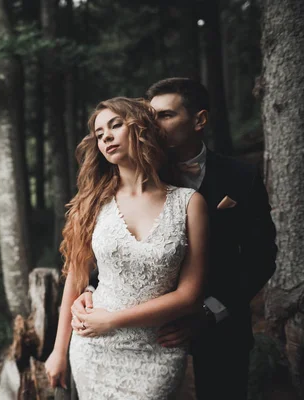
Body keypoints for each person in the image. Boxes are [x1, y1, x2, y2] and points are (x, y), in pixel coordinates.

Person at [71, 78, 278, 400]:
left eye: (165, 115)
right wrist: (92, 287)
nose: (154, 124)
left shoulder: (240, 176)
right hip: (136, 332)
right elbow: (121, 242)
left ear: (199, 120)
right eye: (149, 117)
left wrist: (209, 311)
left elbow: (261, 255)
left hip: (219, 321)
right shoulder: (138, 173)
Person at [44, 96, 209, 400]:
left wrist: (112, 320)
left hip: (158, 350)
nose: (105, 135)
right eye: (99, 133)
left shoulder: (189, 203)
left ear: (140, 128)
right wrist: (58, 351)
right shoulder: (92, 204)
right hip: (92, 348)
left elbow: (189, 296)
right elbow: (76, 277)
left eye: (115, 125)